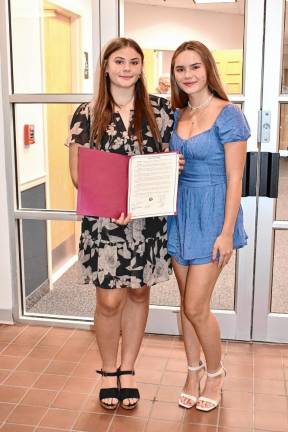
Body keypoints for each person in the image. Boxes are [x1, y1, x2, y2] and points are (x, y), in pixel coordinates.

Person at [66, 37, 174, 410]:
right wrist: (113, 204)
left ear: (142, 68)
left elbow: (168, 163)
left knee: (140, 293)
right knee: (109, 299)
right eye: (119, 61)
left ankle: (127, 370)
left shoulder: (160, 112)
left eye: (133, 62)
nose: (126, 68)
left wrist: (173, 166)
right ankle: (107, 368)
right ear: (106, 67)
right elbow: (80, 175)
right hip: (105, 220)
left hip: (146, 221)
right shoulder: (87, 112)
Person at [168, 41, 250, 412]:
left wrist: (227, 231)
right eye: (180, 69)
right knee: (187, 306)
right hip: (180, 210)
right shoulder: (177, 115)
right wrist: (173, 165)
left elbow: (236, 178)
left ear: (208, 69)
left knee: (197, 306)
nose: (188, 75)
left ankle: (215, 374)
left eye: (194, 67)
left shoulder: (228, 114)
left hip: (214, 212)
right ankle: (191, 370)